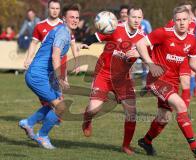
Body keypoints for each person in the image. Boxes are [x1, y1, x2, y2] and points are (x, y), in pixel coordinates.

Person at [135, 5, 196, 159]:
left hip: (173, 82)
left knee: (164, 117)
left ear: (190, 21)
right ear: (173, 21)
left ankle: (146, 141)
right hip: (157, 79)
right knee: (181, 105)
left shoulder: (192, 40)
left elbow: (193, 63)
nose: (181, 23)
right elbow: (140, 44)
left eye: (184, 20)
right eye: (178, 20)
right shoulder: (163, 33)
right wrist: (150, 63)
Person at [82, 7, 145, 155]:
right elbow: (97, 36)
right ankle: (87, 119)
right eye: (133, 17)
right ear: (127, 17)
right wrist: (87, 42)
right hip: (104, 75)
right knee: (94, 108)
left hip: (123, 79)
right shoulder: (115, 28)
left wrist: (138, 53)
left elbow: (149, 55)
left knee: (131, 112)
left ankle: (126, 146)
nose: (136, 20)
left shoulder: (142, 37)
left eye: (139, 17)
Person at [18, 3, 80, 149]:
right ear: (64, 18)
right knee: (61, 107)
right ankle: (42, 135)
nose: (75, 20)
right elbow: (55, 56)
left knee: (57, 103)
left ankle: (29, 123)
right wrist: (59, 77)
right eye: (71, 17)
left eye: (77, 17)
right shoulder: (62, 32)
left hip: (44, 75)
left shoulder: (64, 31)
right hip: (37, 76)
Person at [165, 1, 196, 107]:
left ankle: (184, 112)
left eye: (190, 10)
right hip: (172, 60)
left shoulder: (193, 25)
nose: (189, 11)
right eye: (186, 9)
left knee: (186, 83)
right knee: (172, 86)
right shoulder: (171, 23)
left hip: (185, 58)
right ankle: (169, 104)